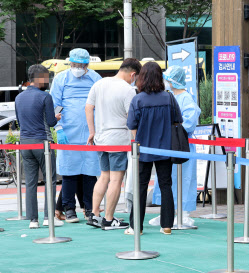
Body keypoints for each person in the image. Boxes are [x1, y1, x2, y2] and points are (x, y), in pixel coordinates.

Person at [84, 58, 142, 230]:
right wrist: (136, 141)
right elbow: (131, 119)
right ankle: (109, 219)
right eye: (136, 77)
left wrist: (92, 131)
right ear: (133, 74)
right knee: (116, 179)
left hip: (100, 138)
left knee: (103, 176)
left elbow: (88, 107)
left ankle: (94, 215)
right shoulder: (128, 90)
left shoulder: (99, 83)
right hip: (118, 139)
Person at [126, 62, 182, 235]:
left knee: (141, 186)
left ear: (141, 78)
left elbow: (131, 124)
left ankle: (137, 227)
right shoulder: (169, 97)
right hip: (166, 149)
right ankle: (166, 225)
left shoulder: (138, 99)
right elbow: (177, 120)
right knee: (166, 185)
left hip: (143, 149)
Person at [51, 48, 101, 223]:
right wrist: (59, 128)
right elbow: (56, 104)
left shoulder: (95, 78)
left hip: (90, 132)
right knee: (69, 172)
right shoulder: (61, 79)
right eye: (74, 64)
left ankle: (89, 208)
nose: (77, 67)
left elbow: (100, 104)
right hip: (68, 132)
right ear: (69, 63)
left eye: (80, 65)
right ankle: (69, 209)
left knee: (90, 172)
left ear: (87, 64)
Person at [149, 65, 201, 227]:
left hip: (182, 145)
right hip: (167, 144)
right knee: (165, 178)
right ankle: (166, 212)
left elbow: (190, 122)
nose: (165, 81)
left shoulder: (186, 98)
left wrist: (170, 130)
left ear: (173, 81)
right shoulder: (168, 96)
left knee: (184, 179)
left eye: (167, 79)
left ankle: (183, 214)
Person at [15, 65, 64, 229]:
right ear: (39, 78)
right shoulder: (45, 97)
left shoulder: (19, 98)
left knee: (30, 182)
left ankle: (33, 220)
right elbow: (50, 122)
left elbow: (20, 122)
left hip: (24, 142)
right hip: (42, 142)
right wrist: (56, 117)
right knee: (50, 180)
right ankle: (48, 217)